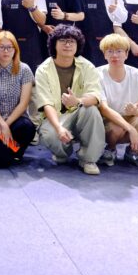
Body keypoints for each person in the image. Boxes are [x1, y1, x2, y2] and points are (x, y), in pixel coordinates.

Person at [32, 25, 105, 175]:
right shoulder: (43, 70)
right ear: (54, 44)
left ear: (77, 45)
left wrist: (77, 101)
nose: (67, 45)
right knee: (51, 135)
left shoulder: (87, 66)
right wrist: (59, 128)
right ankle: (63, 152)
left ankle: (88, 159)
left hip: (79, 114)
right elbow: (46, 104)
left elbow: (95, 96)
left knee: (91, 110)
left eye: (72, 41)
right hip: (55, 117)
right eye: (63, 41)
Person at [96, 34, 138, 169]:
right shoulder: (97, 74)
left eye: (119, 51)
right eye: (110, 51)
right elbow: (104, 109)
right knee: (116, 129)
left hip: (132, 117)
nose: (114, 55)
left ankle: (134, 151)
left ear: (126, 54)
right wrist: (131, 129)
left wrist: (136, 111)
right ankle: (110, 149)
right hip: (108, 120)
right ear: (104, 55)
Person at [0, 31, 36, 168]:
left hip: (16, 120)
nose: (5, 51)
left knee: (28, 128)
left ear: (15, 49)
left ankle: (14, 150)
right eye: (1, 47)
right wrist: (1, 125)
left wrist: (6, 125)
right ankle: (11, 148)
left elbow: (23, 103)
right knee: (1, 161)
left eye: (9, 47)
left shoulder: (24, 70)